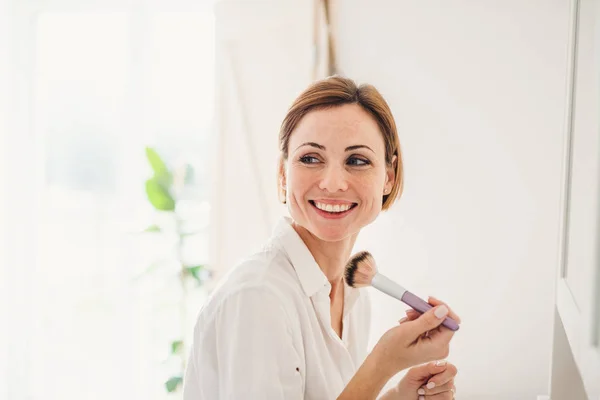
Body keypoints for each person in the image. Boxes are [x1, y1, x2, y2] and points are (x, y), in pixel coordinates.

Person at [183, 76, 461, 400]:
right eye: (310, 158)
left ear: (388, 176)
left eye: (357, 161)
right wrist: (382, 364)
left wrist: (399, 395)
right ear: (283, 173)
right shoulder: (258, 298)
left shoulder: (354, 297)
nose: (332, 183)